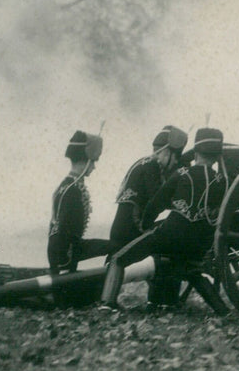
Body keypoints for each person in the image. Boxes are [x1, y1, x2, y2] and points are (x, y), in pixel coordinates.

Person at [100, 127, 228, 310]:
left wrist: (146, 226)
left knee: (119, 259)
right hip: (197, 243)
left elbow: (155, 205)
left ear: (196, 152)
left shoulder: (181, 174)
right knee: (192, 270)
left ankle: (107, 304)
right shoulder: (222, 182)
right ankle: (221, 311)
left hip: (166, 235)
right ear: (217, 156)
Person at [47, 130, 110, 279]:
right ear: (86, 160)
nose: (94, 167)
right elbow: (61, 231)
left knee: (114, 246)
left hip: (68, 249)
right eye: (93, 162)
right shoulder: (73, 190)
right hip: (65, 254)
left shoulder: (68, 185)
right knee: (116, 247)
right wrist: (63, 268)